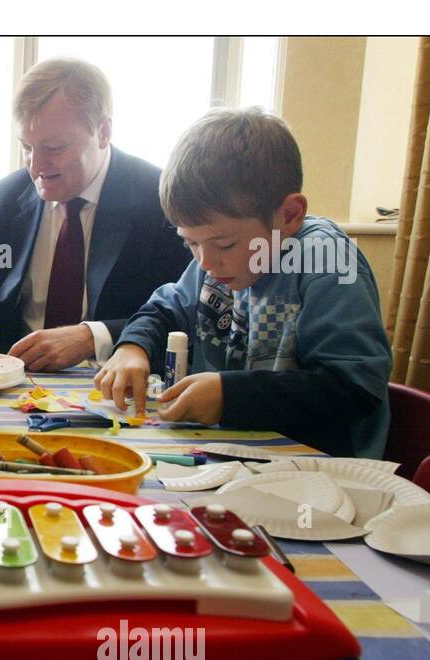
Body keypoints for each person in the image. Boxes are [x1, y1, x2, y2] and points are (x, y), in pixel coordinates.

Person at [94, 107, 392, 458]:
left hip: (322, 473)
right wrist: (134, 347)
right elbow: (166, 309)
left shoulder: (327, 261)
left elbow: (353, 389)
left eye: (224, 244)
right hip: (233, 457)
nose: (205, 261)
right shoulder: (216, 261)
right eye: (189, 242)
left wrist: (229, 395)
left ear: (289, 215)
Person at [0, 57, 191, 371]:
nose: (35, 167)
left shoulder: (159, 197)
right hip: (13, 361)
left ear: (103, 132)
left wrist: (92, 336)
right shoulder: (7, 196)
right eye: (26, 147)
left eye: (54, 148)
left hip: (112, 365)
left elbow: (178, 312)